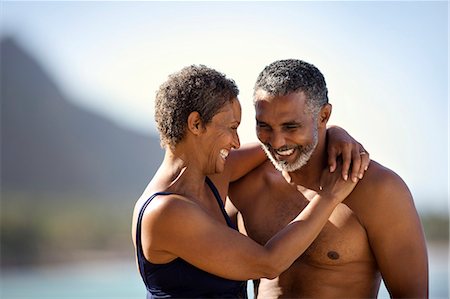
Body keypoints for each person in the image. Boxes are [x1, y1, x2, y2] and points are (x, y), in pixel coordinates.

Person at [131, 65, 370, 298]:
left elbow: (282, 145)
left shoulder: (214, 174)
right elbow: (269, 263)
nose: (236, 142)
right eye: (232, 128)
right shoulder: (165, 212)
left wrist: (332, 130)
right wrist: (328, 196)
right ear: (196, 124)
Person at [228, 59, 429, 298]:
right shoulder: (243, 184)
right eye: (264, 126)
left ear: (324, 116)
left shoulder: (378, 189)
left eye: (291, 127)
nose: (277, 141)